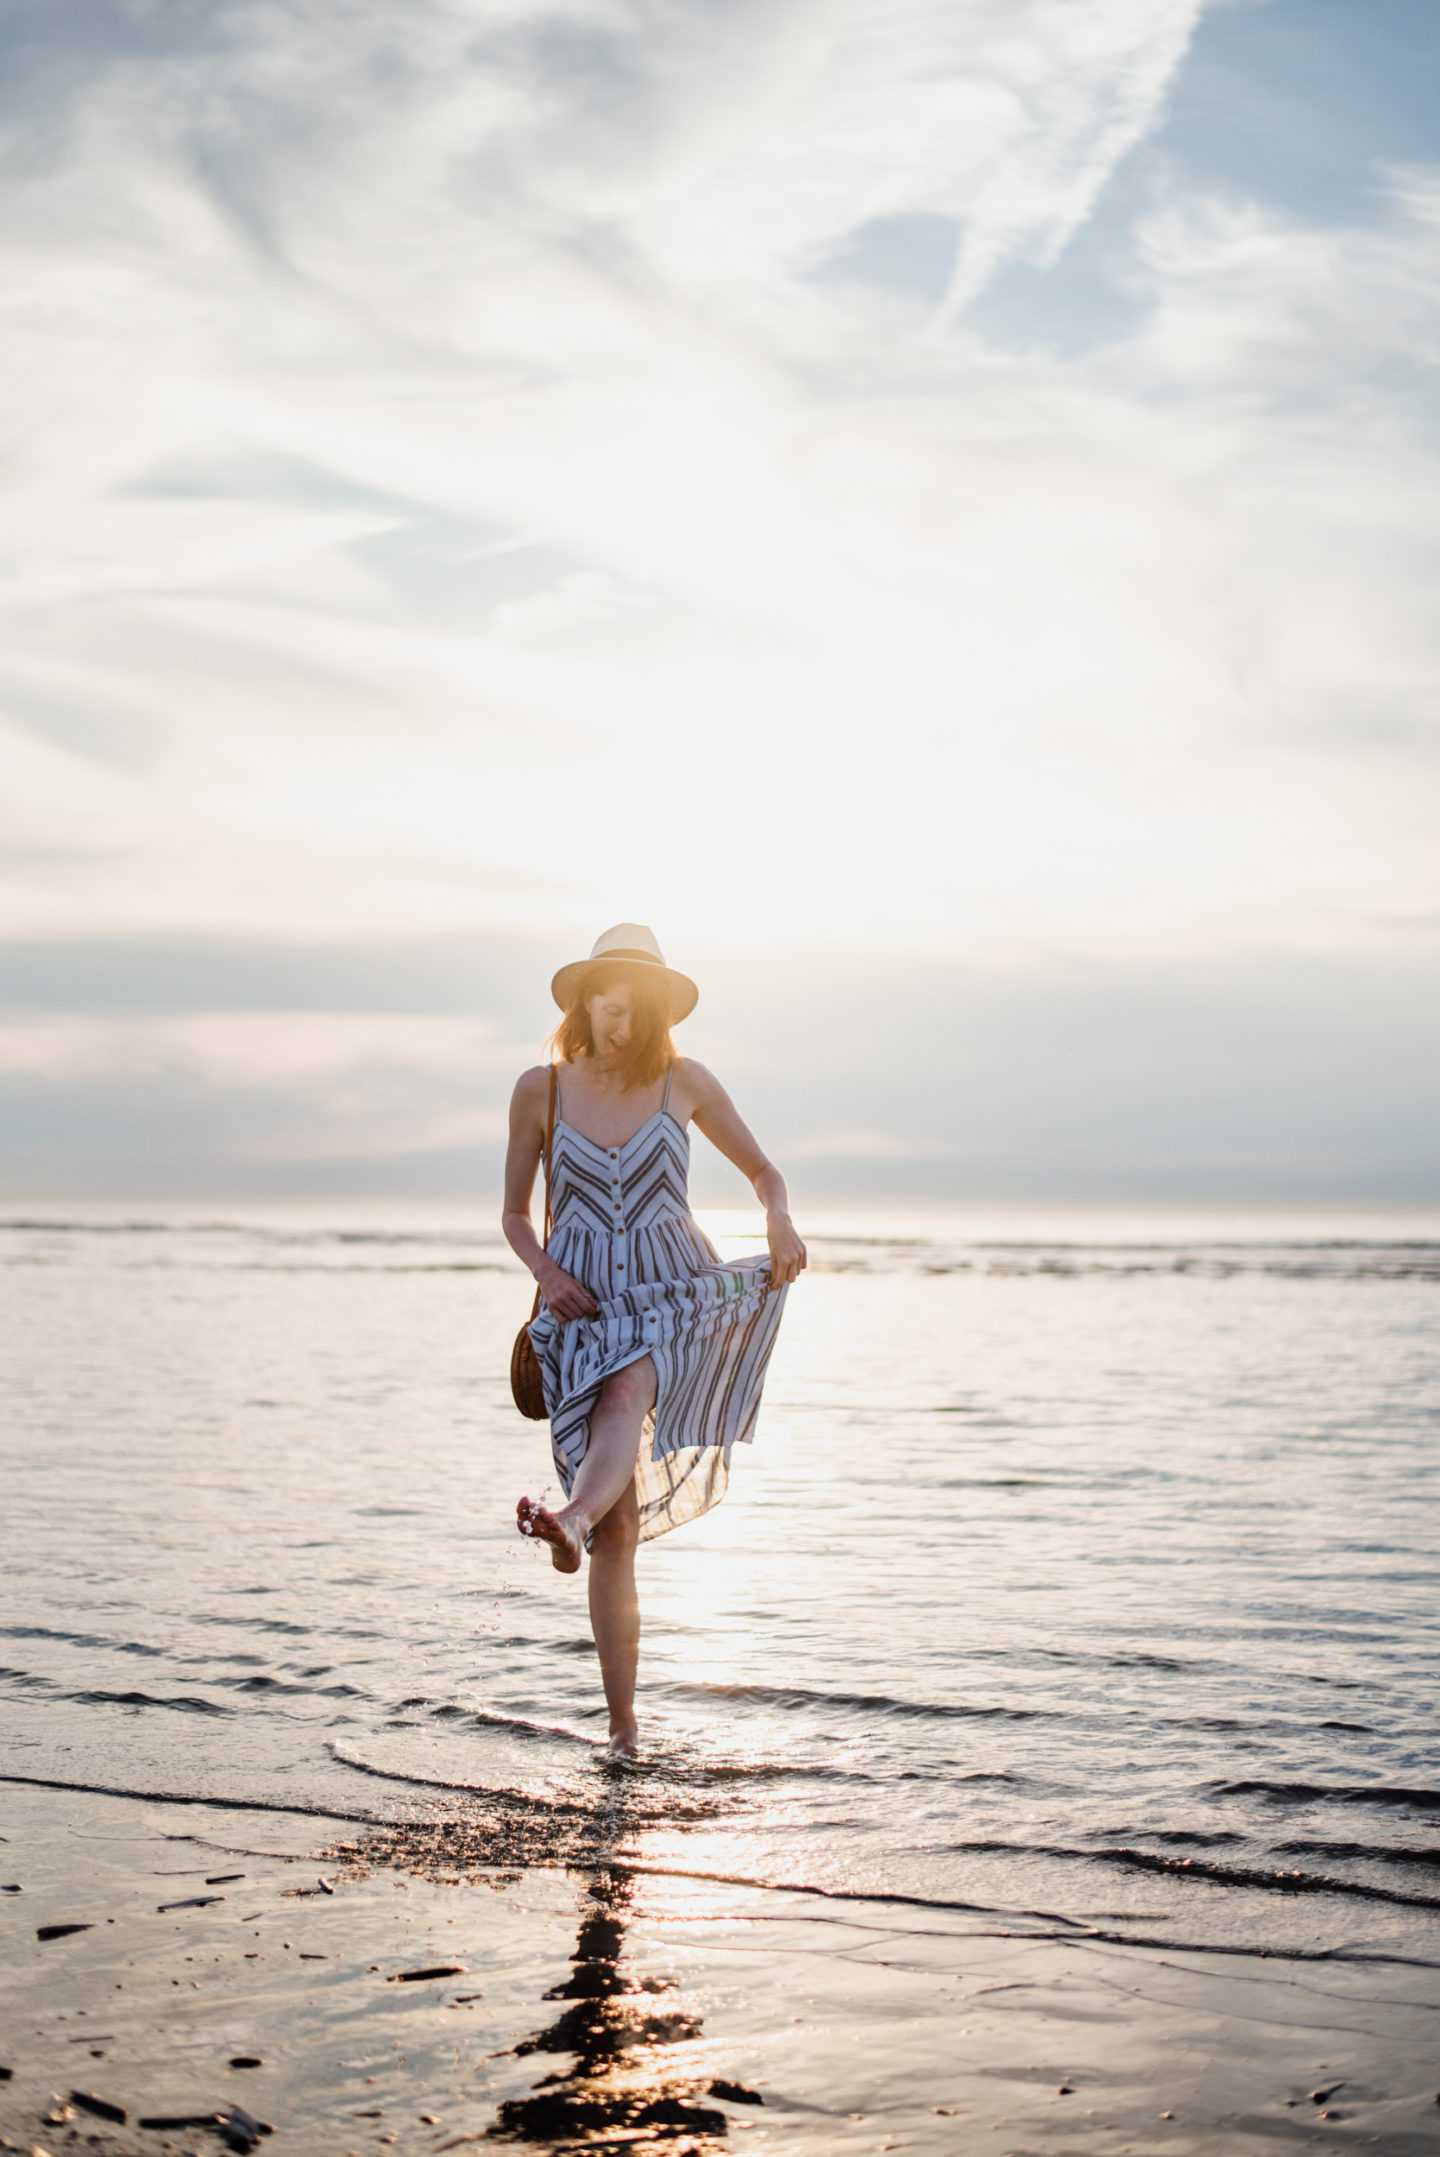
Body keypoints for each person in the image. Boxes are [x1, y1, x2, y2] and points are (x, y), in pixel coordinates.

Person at [502, 923, 806, 1755]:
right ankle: (625, 1730)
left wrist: (778, 1220)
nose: (621, 1020)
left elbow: (766, 1172)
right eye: (609, 1004)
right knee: (622, 1533)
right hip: (581, 1301)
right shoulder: (542, 1089)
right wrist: (547, 1273)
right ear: (585, 1002)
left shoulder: (685, 1081)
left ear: (655, 1011)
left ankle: (567, 1515)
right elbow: (514, 1214)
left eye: (636, 1008)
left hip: (672, 1293)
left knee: (632, 1389)